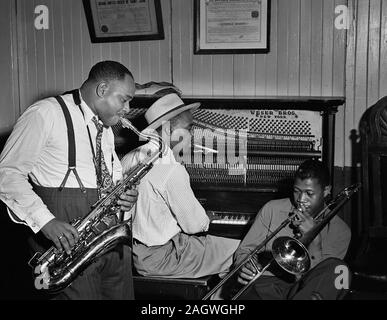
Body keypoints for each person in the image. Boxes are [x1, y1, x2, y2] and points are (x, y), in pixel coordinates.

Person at [0, 60, 138, 300]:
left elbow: (105, 177)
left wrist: (124, 196)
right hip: (67, 244)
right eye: (124, 99)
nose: (127, 108)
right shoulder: (45, 113)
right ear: (102, 89)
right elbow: (7, 173)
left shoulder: (104, 126)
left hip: (108, 245)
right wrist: (46, 222)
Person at [121, 93, 240, 279]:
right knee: (243, 251)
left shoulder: (128, 158)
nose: (191, 136)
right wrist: (205, 217)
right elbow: (195, 226)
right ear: (168, 130)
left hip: (134, 253)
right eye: (188, 129)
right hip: (164, 257)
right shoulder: (171, 169)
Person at [233, 159, 352, 300]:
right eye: (297, 191)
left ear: (326, 191)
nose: (301, 199)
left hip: (304, 288)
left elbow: (324, 279)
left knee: (342, 271)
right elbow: (245, 250)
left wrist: (314, 240)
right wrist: (244, 265)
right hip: (265, 285)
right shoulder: (272, 209)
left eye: (309, 193)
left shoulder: (341, 230)